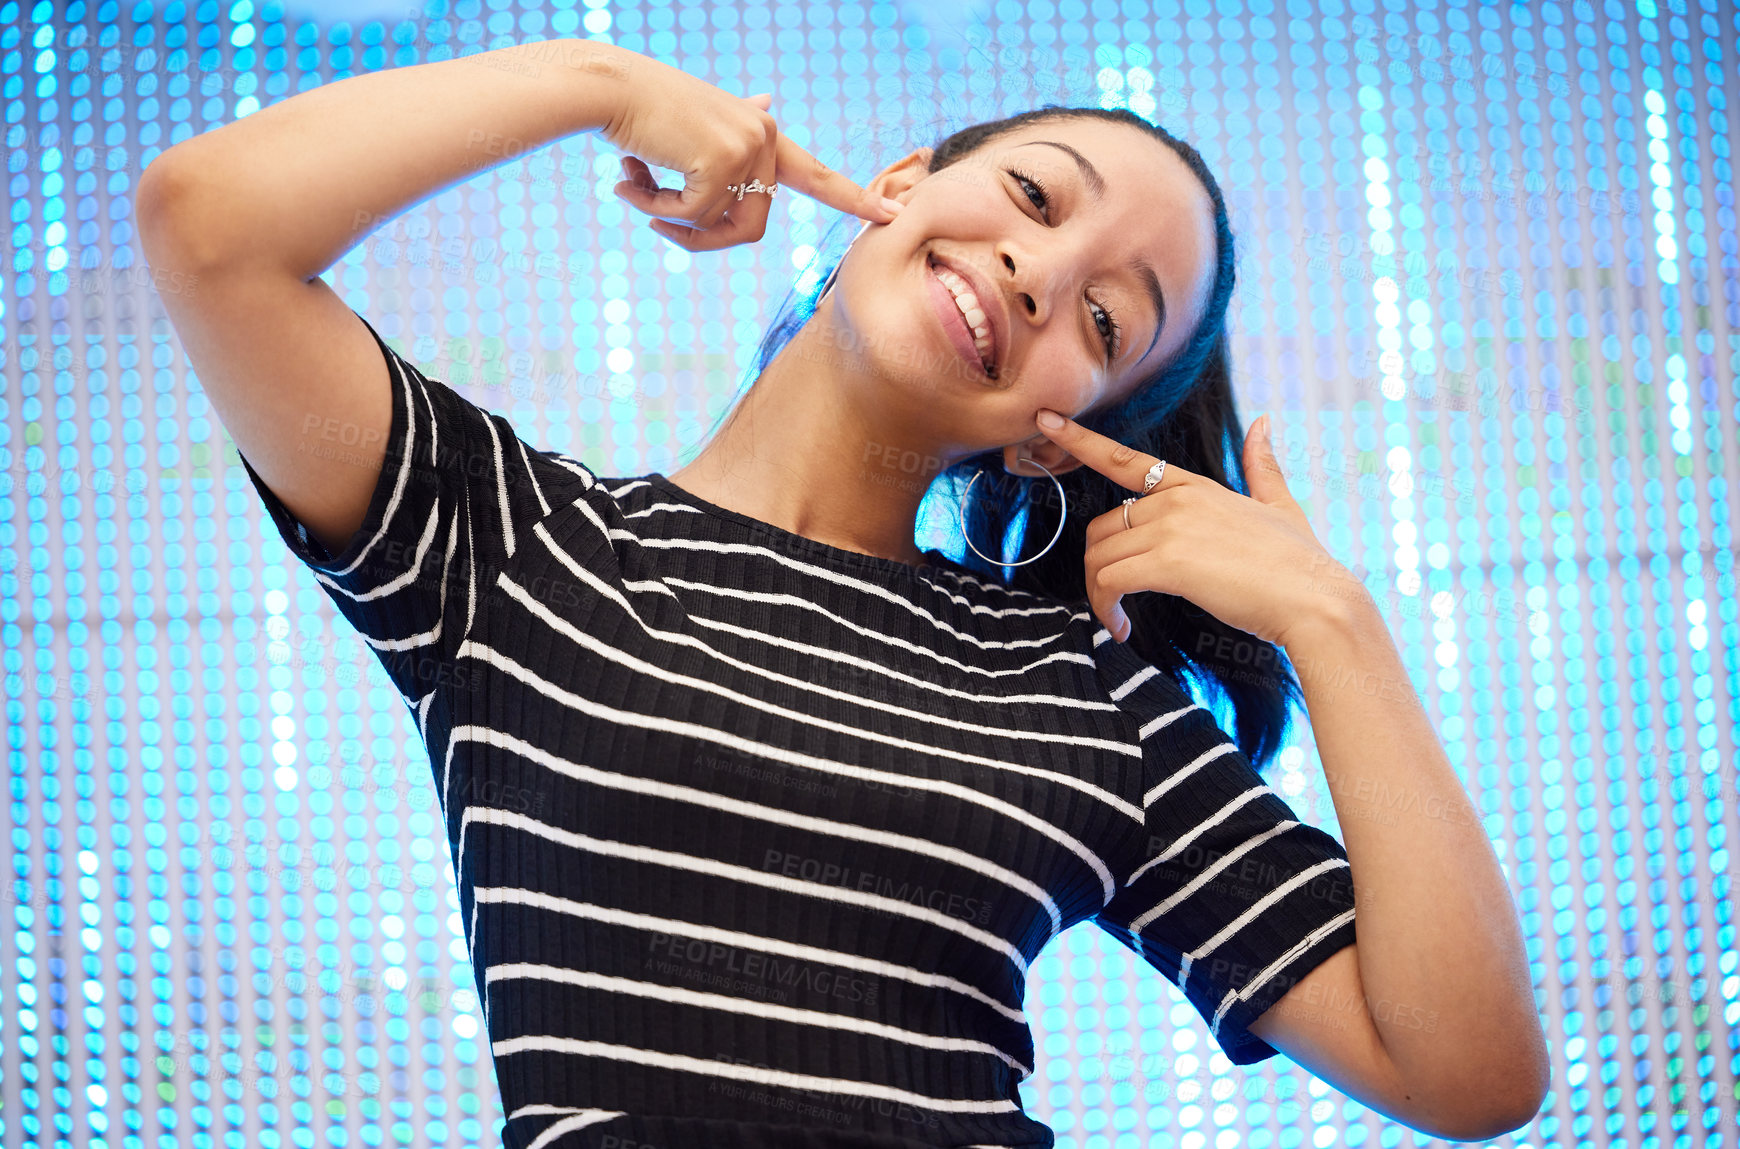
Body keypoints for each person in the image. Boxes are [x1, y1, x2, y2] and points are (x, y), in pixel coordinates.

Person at [136, 36, 1546, 1149]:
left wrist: (1336, 626)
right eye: (1036, 197)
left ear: (1066, 419)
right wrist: (597, 81)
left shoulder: (1077, 691)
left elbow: (1472, 1072)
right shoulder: (516, 549)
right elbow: (209, 226)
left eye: (1110, 321)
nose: (1043, 270)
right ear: (902, 181)